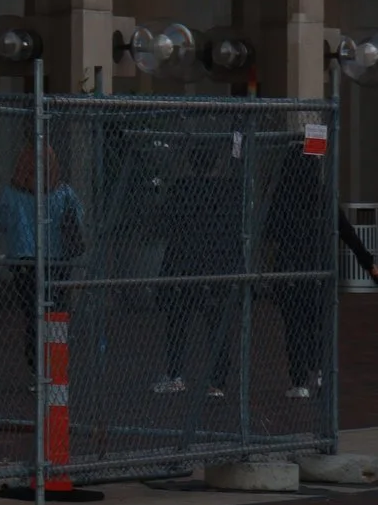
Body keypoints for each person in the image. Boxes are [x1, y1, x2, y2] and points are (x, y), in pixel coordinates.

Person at [259, 140, 378, 398]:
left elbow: (268, 232)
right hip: (321, 268)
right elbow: (347, 232)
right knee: (318, 323)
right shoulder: (323, 196)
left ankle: (300, 379)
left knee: (295, 325)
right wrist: (368, 263)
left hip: (290, 269)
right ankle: (322, 372)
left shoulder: (282, 196)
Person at [0, 144, 83, 381]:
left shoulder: (12, 194)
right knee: (57, 311)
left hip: (24, 260)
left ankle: (36, 369)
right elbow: (78, 219)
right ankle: (57, 366)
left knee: (33, 314)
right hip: (57, 260)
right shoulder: (63, 193)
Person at [154, 143, 239, 397]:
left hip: (184, 263)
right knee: (215, 323)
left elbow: (165, 221)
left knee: (178, 321)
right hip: (215, 264)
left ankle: (176, 373)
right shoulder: (227, 190)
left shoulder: (182, 189)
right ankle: (217, 381)